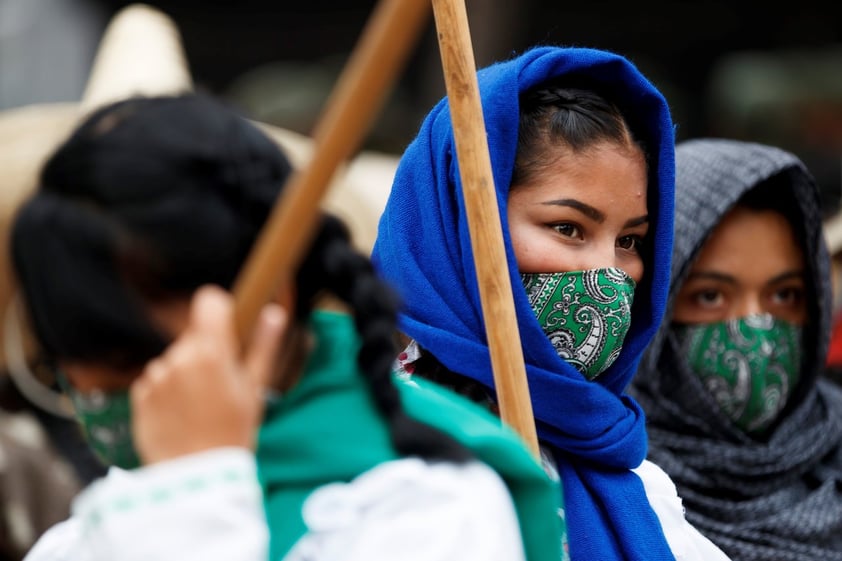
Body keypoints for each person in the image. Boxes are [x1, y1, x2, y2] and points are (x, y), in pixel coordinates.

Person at [15, 93, 563, 561]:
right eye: (64, 361)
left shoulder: (429, 504)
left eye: (125, 356)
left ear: (269, 298)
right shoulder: (100, 522)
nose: (91, 393)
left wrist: (195, 496)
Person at [371, 45, 730, 561]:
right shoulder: (369, 461)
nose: (608, 271)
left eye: (630, 241)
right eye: (568, 228)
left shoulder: (637, 487)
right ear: (458, 230)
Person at [629, 138, 842, 560]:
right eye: (710, 296)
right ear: (655, 303)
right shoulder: (605, 481)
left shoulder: (833, 442)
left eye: (785, 295)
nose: (756, 329)